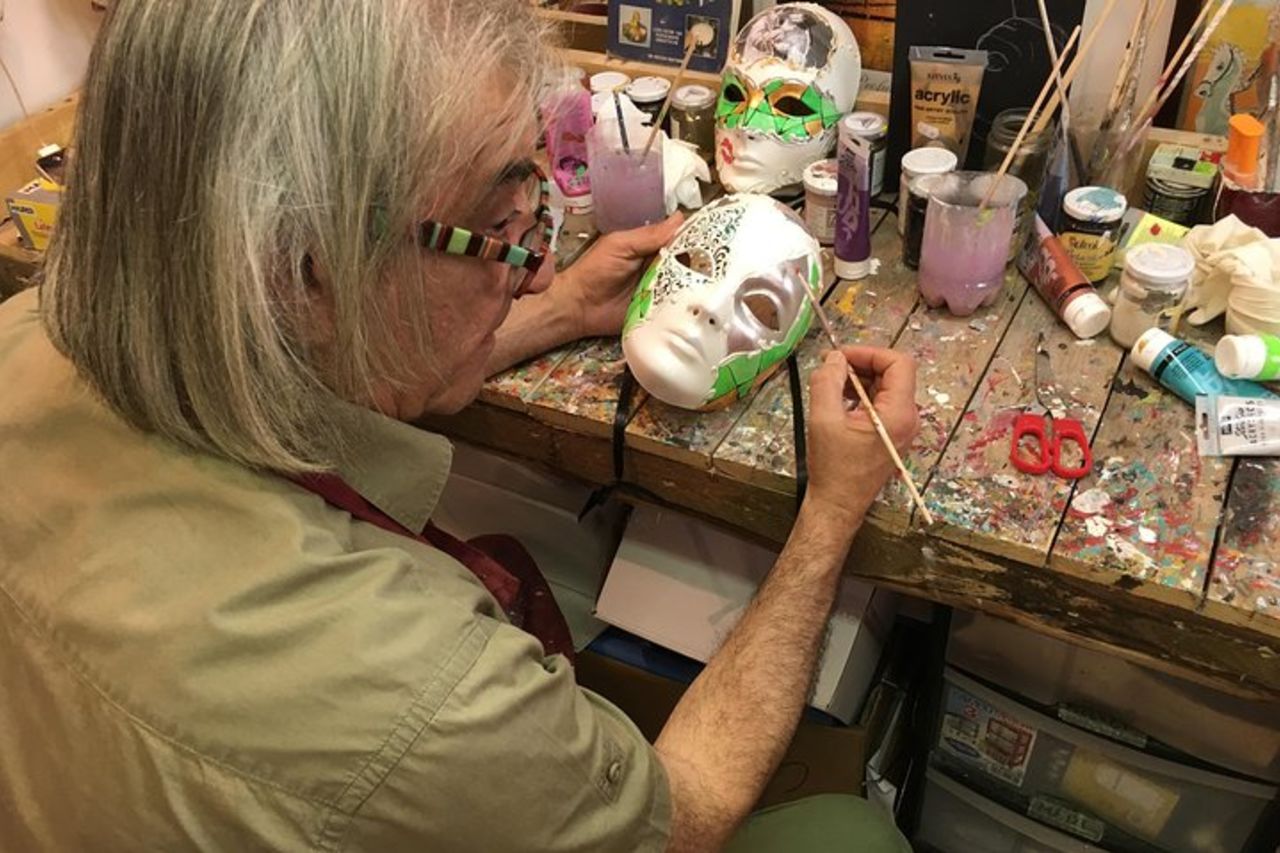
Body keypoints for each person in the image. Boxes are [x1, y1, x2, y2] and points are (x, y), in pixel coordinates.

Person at [0, 1, 918, 851]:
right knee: (848, 831)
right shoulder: (418, 688)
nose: (530, 269)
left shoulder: (27, 339)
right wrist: (830, 513)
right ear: (307, 274)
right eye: (498, 223)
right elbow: (683, 811)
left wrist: (559, 316)